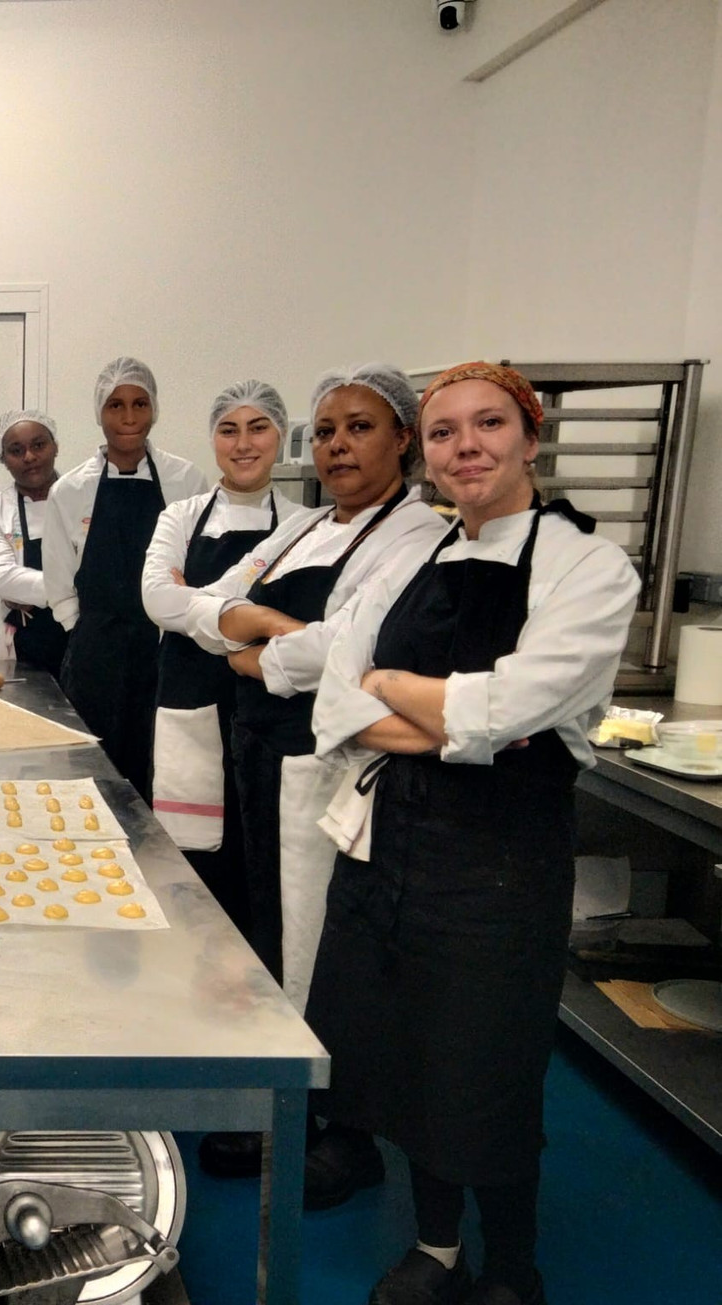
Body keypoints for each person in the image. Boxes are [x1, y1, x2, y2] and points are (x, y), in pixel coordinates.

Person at [309, 363, 638, 1305]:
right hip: (388, 851)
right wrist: (456, 716)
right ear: (429, 451)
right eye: (446, 431)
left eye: (489, 425)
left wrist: (400, 693)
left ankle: (514, 1265)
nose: (467, 447)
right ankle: (439, 1245)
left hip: (500, 865)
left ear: (530, 439)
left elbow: (523, 706)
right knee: (405, 1058)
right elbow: (337, 699)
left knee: (486, 1069)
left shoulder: (589, 566)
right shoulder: (415, 555)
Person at [179, 363, 446, 1200]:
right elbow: (205, 609)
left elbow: (346, 648)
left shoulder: (414, 536)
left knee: (324, 945)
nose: (336, 445)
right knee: (268, 926)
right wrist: (249, 636)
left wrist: (259, 653)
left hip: (328, 763)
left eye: (359, 427)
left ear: (404, 439)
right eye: (326, 430)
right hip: (259, 748)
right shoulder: (301, 531)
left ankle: (341, 1130)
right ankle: (283, 1101)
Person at [142, 380, 308, 936]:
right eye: (228, 429)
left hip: (267, 712)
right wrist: (251, 621)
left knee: (261, 857)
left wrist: (195, 601)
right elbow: (155, 600)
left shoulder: (300, 524)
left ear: (280, 436)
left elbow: (176, 604)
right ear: (212, 438)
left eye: (258, 427)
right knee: (192, 865)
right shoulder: (182, 516)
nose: (243, 443)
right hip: (190, 703)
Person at [43, 357, 209, 799]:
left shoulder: (186, 480)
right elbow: (59, 579)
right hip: (96, 655)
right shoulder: (71, 490)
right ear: (100, 413)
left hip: (165, 651)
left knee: (160, 773)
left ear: (154, 410)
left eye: (140, 403)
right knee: (93, 777)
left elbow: (197, 570)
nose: (129, 417)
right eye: (115, 405)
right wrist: (81, 630)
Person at [0, 409, 69, 675]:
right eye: (16, 450)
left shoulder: (85, 499)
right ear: (3, 459)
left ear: (55, 447)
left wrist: (29, 592)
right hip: (28, 645)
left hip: (89, 639)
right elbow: (0, 576)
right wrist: (78, 590)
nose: (29, 457)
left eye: (39, 445)